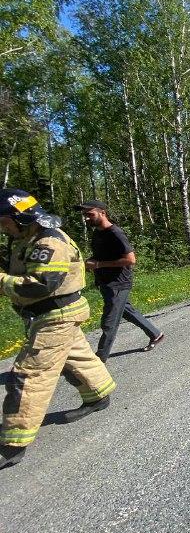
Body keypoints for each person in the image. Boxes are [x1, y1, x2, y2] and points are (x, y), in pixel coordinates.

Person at [0, 189, 116, 470]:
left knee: (29, 375)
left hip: (55, 316)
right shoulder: (30, 238)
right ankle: (98, 395)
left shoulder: (50, 242)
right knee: (76, 357)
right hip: (54, 313)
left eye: (4, 221)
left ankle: (12, 445)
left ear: (21, 217)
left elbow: (40, 284)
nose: (2, 227)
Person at [75, 200, 164, 362]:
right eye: (85, 215)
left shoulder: (115, 233)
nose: (86, 218)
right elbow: (100, 256)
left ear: (102, 212)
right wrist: (90, 262)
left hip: (118, 283)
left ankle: (100, 359)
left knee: (109, 322)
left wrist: (99, 264)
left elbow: (130, 260)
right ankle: (155, 334)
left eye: (90, 214)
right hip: (105, 282)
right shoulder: (97, 233)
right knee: (127, 311)